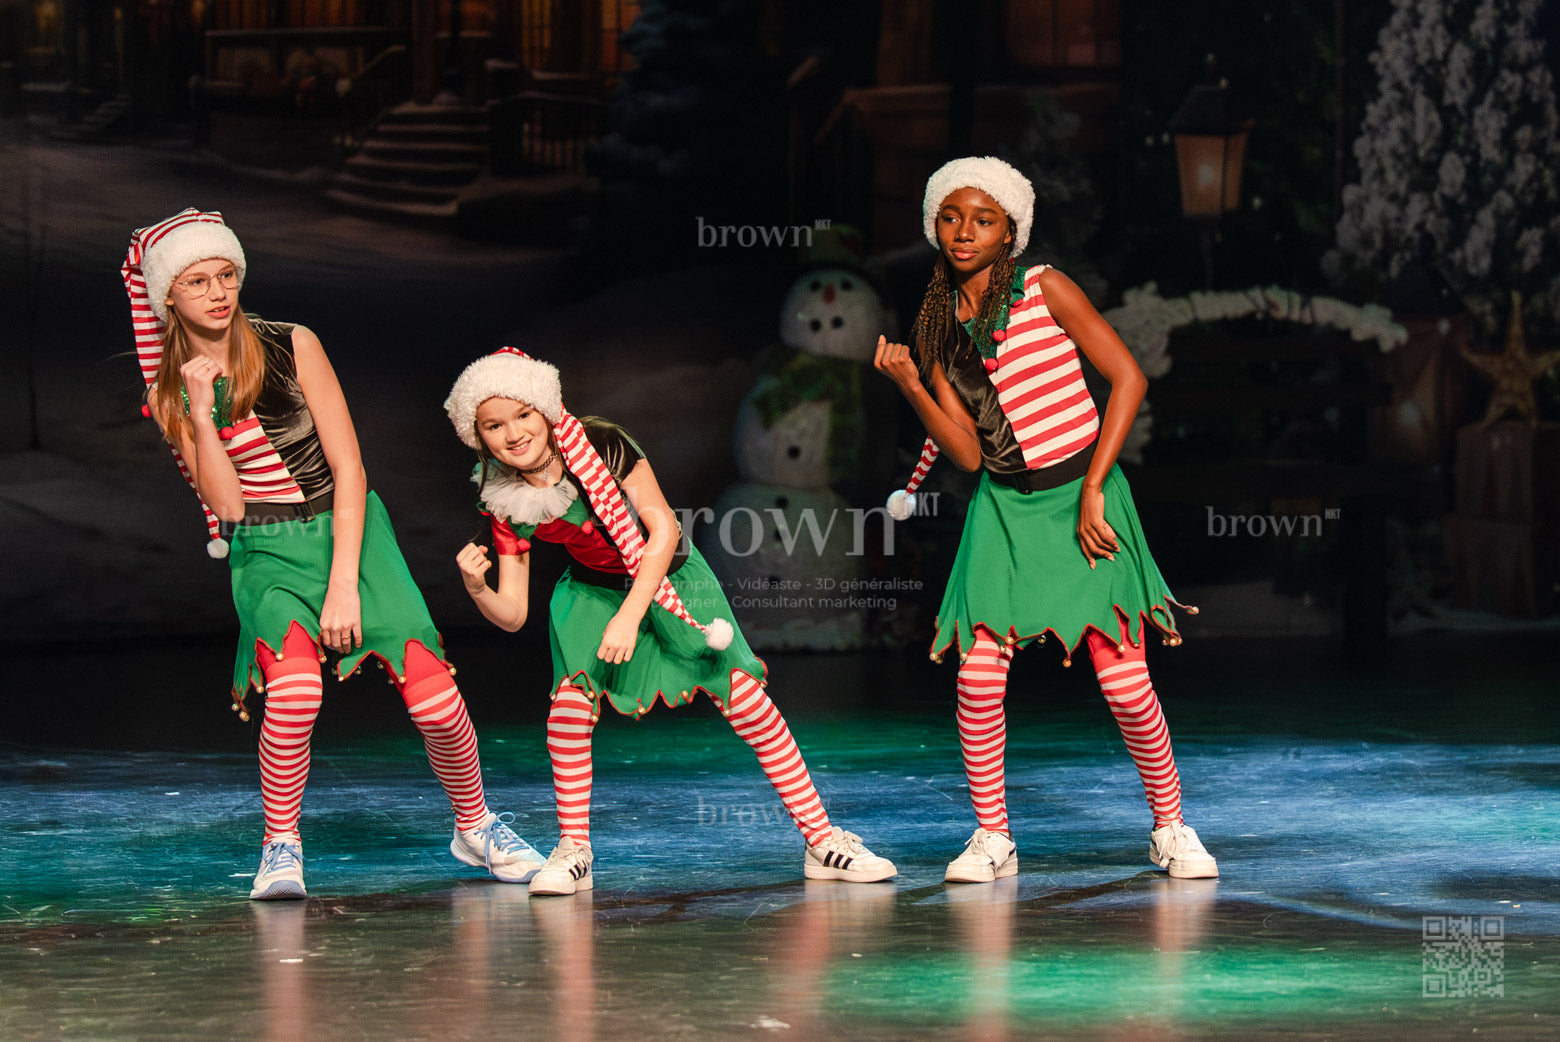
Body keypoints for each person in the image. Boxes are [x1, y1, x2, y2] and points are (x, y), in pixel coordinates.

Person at [122, 209, 544, 899]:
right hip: (267, 547)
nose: (218, 292)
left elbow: (349, 466)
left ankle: (475, 826)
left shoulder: (293, 344)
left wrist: (344, 582)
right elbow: (228, 507)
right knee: (294, 692)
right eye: (198, 281)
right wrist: (199, 410)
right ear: (169, 294)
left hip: (349, 531)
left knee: (437, 702)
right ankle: (280, 845)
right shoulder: (169, 390)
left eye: (226, 274)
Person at [874, 158, 1219, 882]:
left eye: (984, 220)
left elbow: (1128, 377)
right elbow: (968, 454)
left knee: (1126, 685)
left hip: (1084, 499)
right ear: (934, 226)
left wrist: (1094, 489)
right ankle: (992, 836)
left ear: (1010, 233)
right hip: (1004, 513)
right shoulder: (939, 333)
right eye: (951, 217)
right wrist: (912, 386)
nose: (965, 232)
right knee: (977, 678)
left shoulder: (1044, 287)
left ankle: (1171, 825)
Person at [443, 348, 897, 895]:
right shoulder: (500, 491)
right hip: (593, 590)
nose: (513, 433)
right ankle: (573, 849)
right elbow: (514, 615)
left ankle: (823, 841)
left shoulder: (602, 443)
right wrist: (478, 589)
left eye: (522, 415)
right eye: (494, 425)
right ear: (477, 434)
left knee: (746, 699)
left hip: (670, 575)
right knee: (569, 708)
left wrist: (631, 615)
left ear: (544, 408)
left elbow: (664, 530)